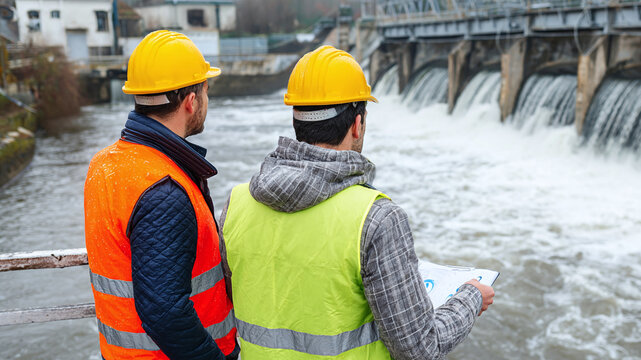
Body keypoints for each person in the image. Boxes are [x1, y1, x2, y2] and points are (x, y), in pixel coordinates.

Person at [219, 45, 495, 359]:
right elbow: (419, 348)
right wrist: (470, 299)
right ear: (357, 124)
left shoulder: (237, 205)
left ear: (298, 121)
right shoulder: (377, 220)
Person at [84, 30, 238, 360]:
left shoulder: (106, 163)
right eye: (205, 89)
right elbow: (165, 312)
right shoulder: (163, 190)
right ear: (191, 101)